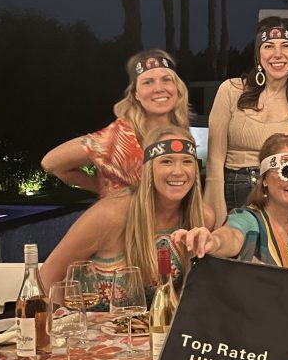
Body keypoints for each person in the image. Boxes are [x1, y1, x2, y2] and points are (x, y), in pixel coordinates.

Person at [40, 126, 204, 308]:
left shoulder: (200, 218)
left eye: (187, 161)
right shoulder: (110, 215)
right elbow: (46, 279)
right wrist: (67, 322)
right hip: (84, 323)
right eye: (166, 161)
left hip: (150, 325)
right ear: (148, 169)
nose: (178, 171)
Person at [205, 17, 288, 226]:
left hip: (282, 195)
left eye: (286, 46)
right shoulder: (230, 90)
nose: (278, 54)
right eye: (269, 46)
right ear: (258, 54)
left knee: (279, 249)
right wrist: (216, 211)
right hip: (233, 194)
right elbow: (214, 159)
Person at [41, 49, 192, 198]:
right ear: (136, 94)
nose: (159, 88)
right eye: (148, 82)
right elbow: (51, 163)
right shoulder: (121, 136)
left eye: (166, 79)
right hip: (130, 214)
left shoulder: (181, 131)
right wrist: (107, 191)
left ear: (177, 88)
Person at [173, 134, 288, 270]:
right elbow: (232, 235)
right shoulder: (249, 219)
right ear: (265, 179)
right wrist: (213, 241)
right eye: (287, 172)